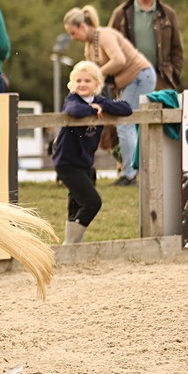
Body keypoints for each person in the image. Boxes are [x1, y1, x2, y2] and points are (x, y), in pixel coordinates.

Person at [63, 5, 156, 186]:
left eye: (73, 33)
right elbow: (90, 74)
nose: (73, 38)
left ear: (83, 26)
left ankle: (129, 175)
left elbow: (119, 60)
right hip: (125, 83)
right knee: (123, 126)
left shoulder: (104, 35)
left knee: (125, 124)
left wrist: (96, 74)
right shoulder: (89, 47)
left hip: (140, 76)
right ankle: (128, 170)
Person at [52, 61, 133, 244]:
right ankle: (70, 244)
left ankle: (71, 247)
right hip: (66, 162)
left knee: (77, 202)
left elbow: (126, 108)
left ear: (97, 84)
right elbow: (73, 110)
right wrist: (91, 110)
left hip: (85, 162)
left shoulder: (99, 101)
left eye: (87, 81)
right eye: (78, 80)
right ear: (72, 83)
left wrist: (103, 107)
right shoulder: (73, 99)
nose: (82, 84)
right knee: (92, 202)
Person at [108, 0, 184, 92]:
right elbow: (108, 45)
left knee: (160, 106)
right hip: (129, 79)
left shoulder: (168, 14)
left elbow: (177, 48)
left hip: (161, 79)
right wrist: (113, 79)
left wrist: (174, 74)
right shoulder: (121, 13)